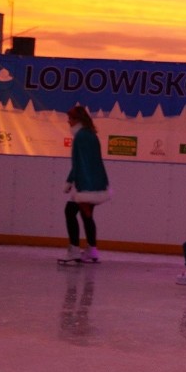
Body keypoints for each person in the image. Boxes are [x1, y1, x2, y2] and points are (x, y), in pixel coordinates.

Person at [61, 105, 110, 263]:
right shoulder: (91, 135)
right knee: (86, 215)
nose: (68, 121)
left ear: (77, 120)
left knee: (70, 212)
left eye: (70, 118)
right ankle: (92, 250)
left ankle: (74, 249)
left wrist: (70, 181)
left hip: (84, 182)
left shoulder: (81, 136)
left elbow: (78, 162)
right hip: (95, 181)